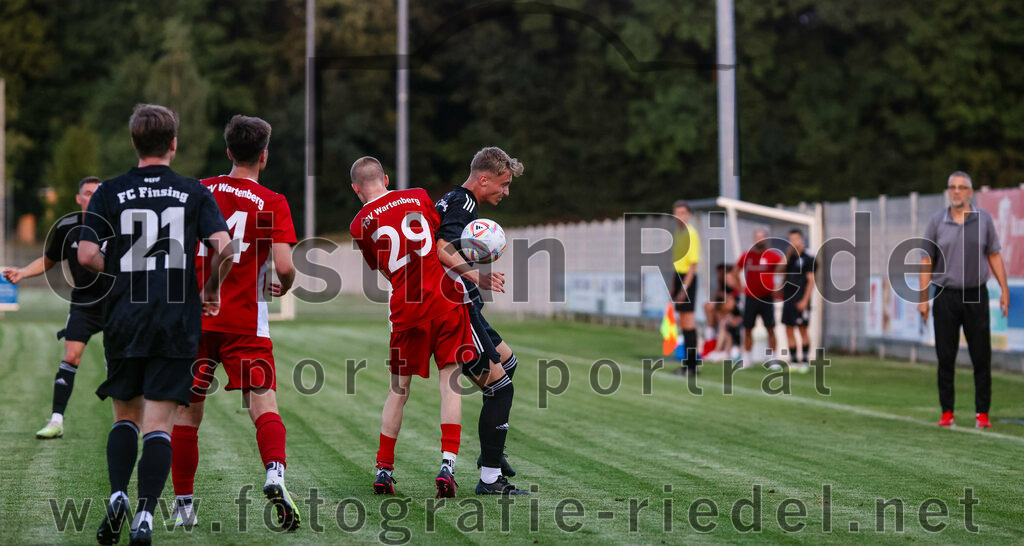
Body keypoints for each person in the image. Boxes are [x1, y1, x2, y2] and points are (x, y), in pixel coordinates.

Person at [79, 104, 233, 545]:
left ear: (133, 142)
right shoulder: (193, 192)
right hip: (175, 321)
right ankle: (145, 516)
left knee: (125, 416)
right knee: (160, 425)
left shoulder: (110, 190)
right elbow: (225, 247)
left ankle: (116, 496)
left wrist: (123, 269)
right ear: (174, 144)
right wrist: (211, 290)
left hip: (125, 317)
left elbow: (87, 255)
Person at [167, 115, 300, 530]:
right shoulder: (273, 201)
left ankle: (185, 506)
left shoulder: (198, 190)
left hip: (194, 319)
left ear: (227, 151)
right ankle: (275, 473)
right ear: (264, 155)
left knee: (187, 414)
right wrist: (286, 284)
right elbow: (284, 266)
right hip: (245, 320)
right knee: (263, 404)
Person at [350, 156, 477, 498]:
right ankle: (448, 465)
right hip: (446, 301)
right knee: (450, 383)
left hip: (406, 311)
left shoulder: (359, 224)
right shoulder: (419, 196)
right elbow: (438, 240)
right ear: (387, 179)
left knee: (398, 391)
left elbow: (381, 267)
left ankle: (383, 469)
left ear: (355, 189)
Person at [435, 146, 528, 495]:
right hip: (456, 306)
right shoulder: (464, 203)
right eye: (503, 185)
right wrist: (477, 276)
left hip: (464, 304)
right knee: (500, 387)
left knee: (508, 363)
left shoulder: (453, 199)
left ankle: (492, 452)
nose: (505, 192)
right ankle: (490, 477)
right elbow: (442, 247)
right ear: (484, 179)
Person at [3, 176, 106, 439]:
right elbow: (48, 261)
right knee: (71, 357)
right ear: (78, 198)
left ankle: (128, 424)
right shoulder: (67, 227)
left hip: (116, 302)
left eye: (97, 193)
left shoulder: (116, 224)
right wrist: (22, 273)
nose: (91, 197)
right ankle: (56, 421)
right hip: (83, 303)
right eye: (87, 193)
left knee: (117, 362)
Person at [918, 171, 1009, 429]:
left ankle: (982, 414)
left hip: (975, 294)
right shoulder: (936, 221)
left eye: (962, 187)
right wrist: (923, 298)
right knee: (945, 357)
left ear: (970, 192)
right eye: (952, 187)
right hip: (945, 295)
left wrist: (1004, 289)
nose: (956, 191)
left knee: (981, 356)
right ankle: (947, 412)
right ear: (949, 191)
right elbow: (926, 260)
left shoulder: (985, 220)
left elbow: (993, 254)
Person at [736, 228, 785, 367]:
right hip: (750, 297)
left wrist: (779, 287)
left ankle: (772, 358)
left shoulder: (772, 256)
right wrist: (739, 286)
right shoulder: (747, 256)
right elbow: (735, 270)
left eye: (761, 237)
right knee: (747, 328)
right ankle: (747, 358)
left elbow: (784, 268)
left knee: (770, 328)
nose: (759, 240)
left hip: (766, 297)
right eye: (757, 237)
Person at [669, 201, 701, 375]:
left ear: (688, 214)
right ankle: (688, 363)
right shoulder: (678, 232)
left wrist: (684, 289)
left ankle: (692, 366)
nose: (679, 216)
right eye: (676, 212)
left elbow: (692, 265)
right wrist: (674, 284)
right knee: (683, 323)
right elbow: (677, 262)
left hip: (688, 280)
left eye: (682, 212)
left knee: (689, 323)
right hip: (679, 277)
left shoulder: (691, 233)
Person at [781, 229, 816, 372]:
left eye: (796, 239)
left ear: (802, 239)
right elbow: (780, 271)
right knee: (789, 329)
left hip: (800, 299)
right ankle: (794, 360)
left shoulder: (808, 257)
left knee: (802, 330)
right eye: (791, 239)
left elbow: (811, 281)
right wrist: (787, 256)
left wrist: (805, 300)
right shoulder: (790, 257)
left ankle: (805, 360)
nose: (793, 242)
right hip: (788, 299)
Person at [702, 264, 742, 361]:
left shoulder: (737, 293)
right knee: (710, 309)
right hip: (728, 316)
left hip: (737, 317)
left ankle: (717, 349)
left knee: (723, 321)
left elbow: (734, 307)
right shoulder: (723, 289)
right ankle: (712, 343)